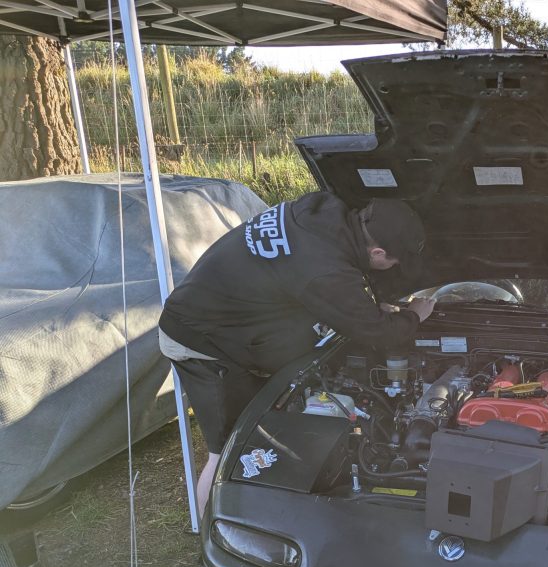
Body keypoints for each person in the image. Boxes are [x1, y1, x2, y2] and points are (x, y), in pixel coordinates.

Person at [159, 193, 436, 518]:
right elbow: (377, 331)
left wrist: (368, 308)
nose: (394, 269)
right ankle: (213, 530)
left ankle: (270, 502)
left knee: (266, 428)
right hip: (202, 341)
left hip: (229, 319)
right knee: (229, 450)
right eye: (394, 262)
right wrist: (414, 316)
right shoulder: (324, 268)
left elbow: (305, 281)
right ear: (376, 252)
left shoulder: (324, 209)